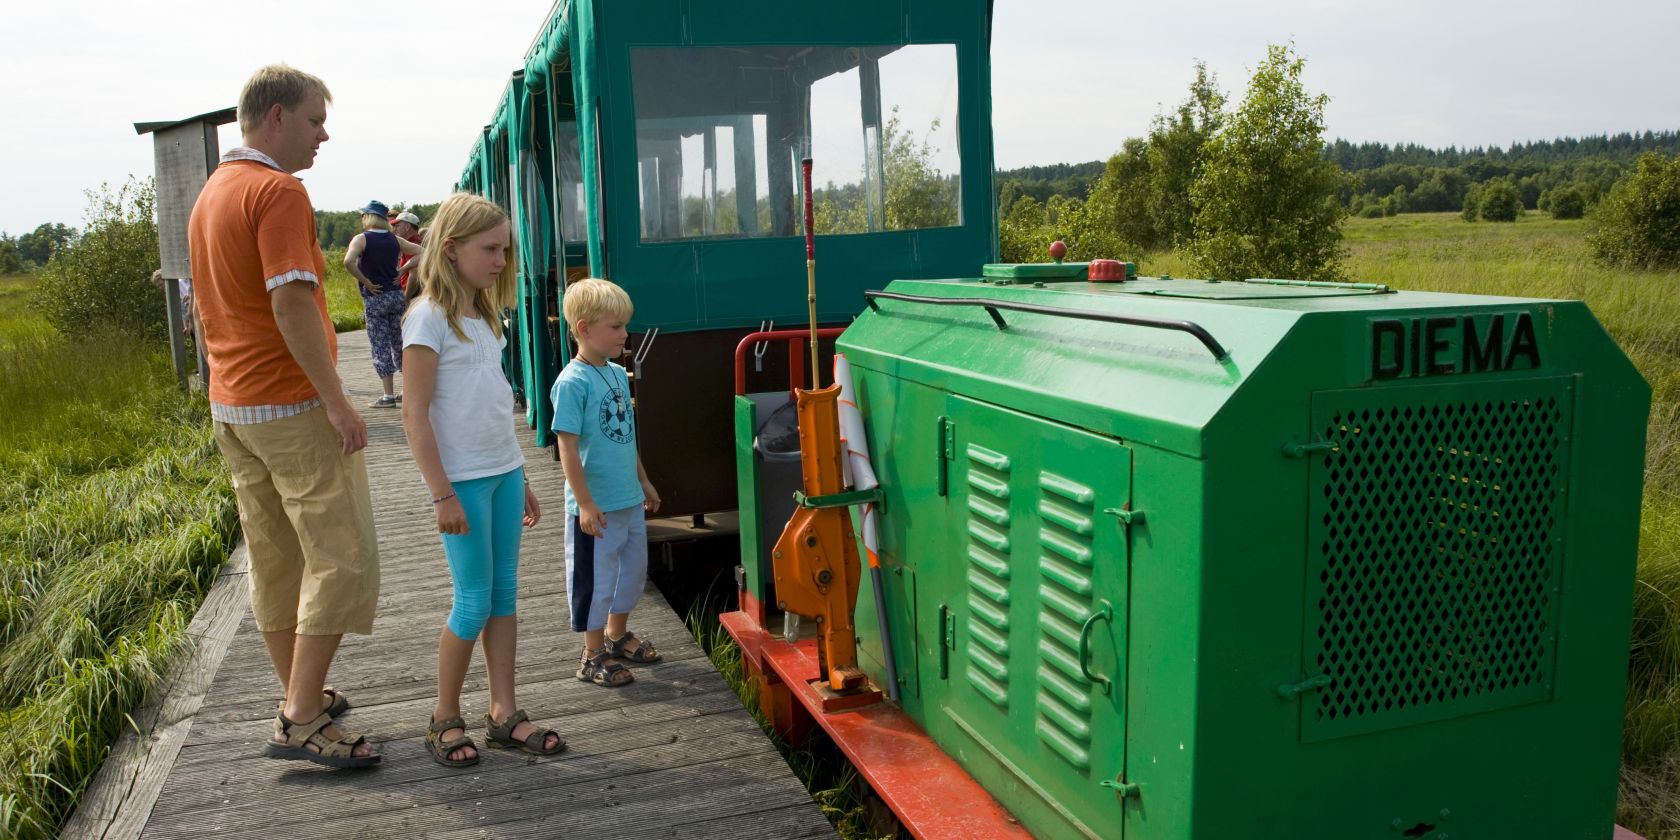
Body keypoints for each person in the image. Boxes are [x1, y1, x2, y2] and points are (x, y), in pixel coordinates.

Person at [187, 64, 380, 768]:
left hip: (233, 406)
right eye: (314, 120)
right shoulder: (277, 191)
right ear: (276, 117)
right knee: (343, 555)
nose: (323, 136)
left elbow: (210, 307)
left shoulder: (213, 192)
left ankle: (305, 695)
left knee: (277, 559)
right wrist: (336, 399)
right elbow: (291, 301)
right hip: (291, 404)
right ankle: (300, 718)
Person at [402, 193, 565, 766]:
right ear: (451, 249)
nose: (501, 261)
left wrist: (520, 472)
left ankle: (503, 712)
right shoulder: (428, 317)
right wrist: (441, 493)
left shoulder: (484, 315)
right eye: (490, 249)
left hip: (502, 474)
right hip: (463, 484)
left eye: (505, 250)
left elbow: (493, 405)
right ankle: (444, 716)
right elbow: (415, 414)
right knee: (472, 602)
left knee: (503, 597)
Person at [550, 278, 663, 688]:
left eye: (624, 325)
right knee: (595, 579)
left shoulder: (616, 373)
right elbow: (566, 445)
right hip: (596, 506)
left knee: (631, 573)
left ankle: (616, 634)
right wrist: (584, 502)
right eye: (615, 327)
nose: (624, 334)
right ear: (584, 328)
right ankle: (591, 651)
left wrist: (643, 480)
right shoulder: (572, 382)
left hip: (627, 498)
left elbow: (625, 436)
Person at [344, 201, 422, 408]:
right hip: (396, 296)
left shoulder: (361, 239)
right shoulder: (394, 239)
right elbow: (422, 252)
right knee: (400, 342)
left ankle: (388, 395)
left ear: (368, 217)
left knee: (380, 345)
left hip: (375, 297)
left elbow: (348, 261)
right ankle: (408, 390)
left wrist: (365, 281)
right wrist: (402, 270)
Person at [392, 210, 424, 291]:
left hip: (413, 294)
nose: (394, 229)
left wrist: (406, 296)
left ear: (407, 227)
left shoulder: (412, 245)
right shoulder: (419, 241)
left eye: (397, 226)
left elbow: (414, 275)